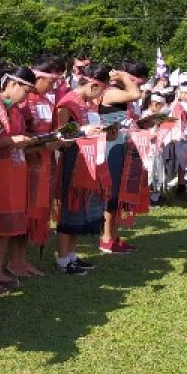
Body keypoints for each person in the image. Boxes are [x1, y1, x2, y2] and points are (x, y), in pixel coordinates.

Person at [0, 64, 40, 289]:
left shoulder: (15, 108)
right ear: (12, 84)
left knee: (9, 221)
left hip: (15, 169)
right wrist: (10, 141)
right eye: (25, 91)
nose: (26, 97)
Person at [9, 55, 67, 275]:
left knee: (35, 211)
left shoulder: (47, 102)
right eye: (51, 82)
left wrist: (59, 139)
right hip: (25, 164)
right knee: (23, 212)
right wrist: (40, 144)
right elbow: (17, 135)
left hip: (45, 164)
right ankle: (14, 261)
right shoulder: (23, 102)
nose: (53, 86)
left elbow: (52, 130)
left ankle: (21, 260)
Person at [55, 62, 114, 275]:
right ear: (93, 85)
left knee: (81, 207)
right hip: (72, 159)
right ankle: (62, 259)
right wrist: (83, 131)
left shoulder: (89, 103)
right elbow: (62, 136)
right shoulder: (68, 103)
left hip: (90, 158)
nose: (102, 95)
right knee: (69, 208)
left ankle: (72, 255)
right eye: (103, 89)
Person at [97, 59, 147, 254]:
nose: (137, 86)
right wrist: (125, 77)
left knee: (121, 193)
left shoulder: (122, 94)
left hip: (123, 145)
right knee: (112, 194)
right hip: (112, 146)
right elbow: (135, 94)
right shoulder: (110, 92)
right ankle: (106, 238)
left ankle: (115, 236)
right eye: (136, 80)